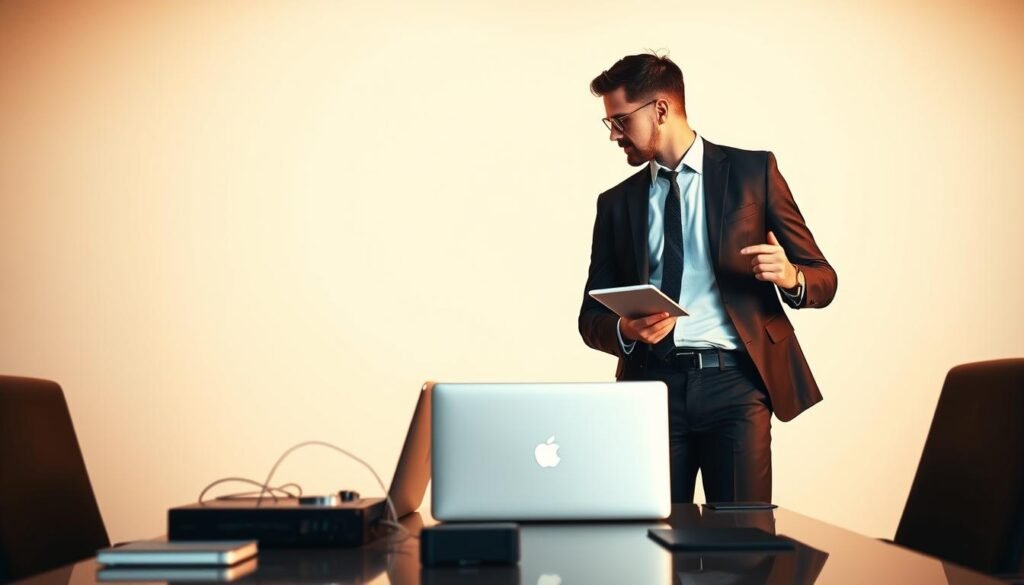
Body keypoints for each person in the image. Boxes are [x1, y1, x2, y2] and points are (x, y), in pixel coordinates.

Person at [578, 53, 837, 503]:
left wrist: (791, 275)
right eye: (610, 125)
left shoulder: (753, 173)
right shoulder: (616, 204)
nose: (614, 135)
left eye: (620, 121)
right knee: (652, 545)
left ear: (660, 109)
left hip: (736, 387)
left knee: (745, 541)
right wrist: (624, 329)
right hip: (650, 388)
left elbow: (823, 278)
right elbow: (590, 315)